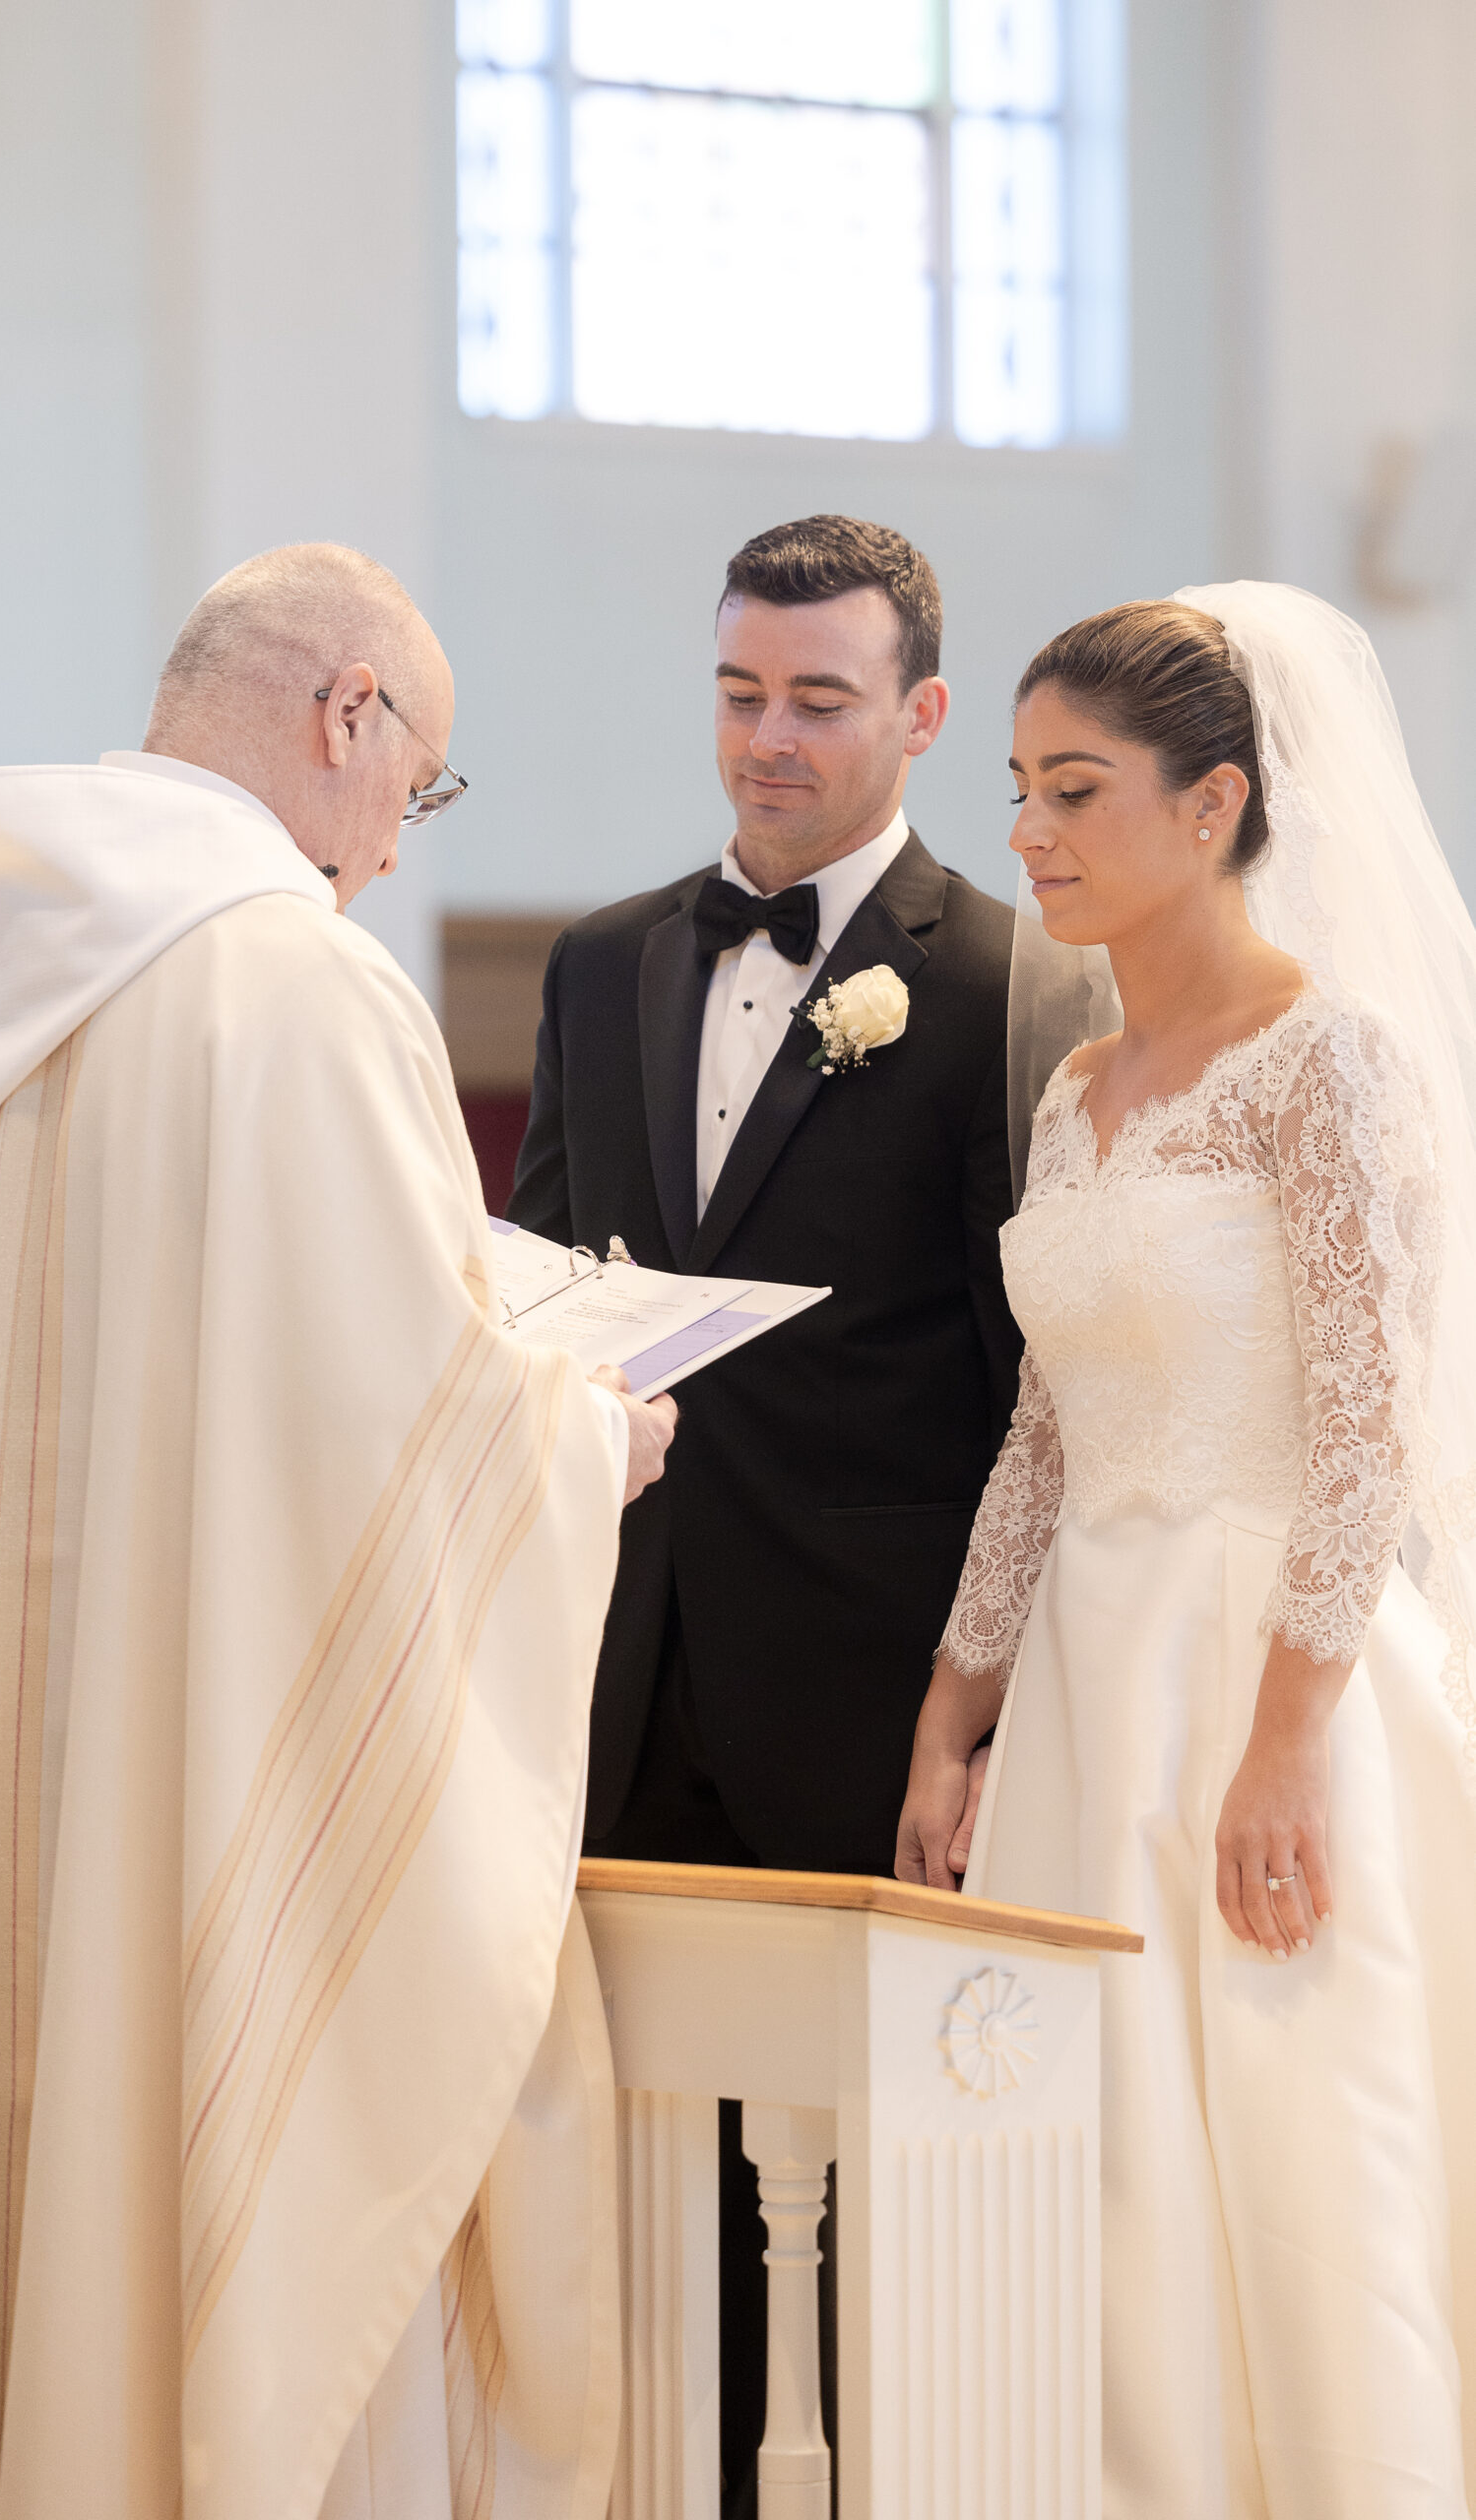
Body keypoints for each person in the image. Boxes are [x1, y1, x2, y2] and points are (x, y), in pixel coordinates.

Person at [0, 541, 677, 2520]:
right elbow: (395, 1422)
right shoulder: (291, 983)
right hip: (180, 1814)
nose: (386, 854)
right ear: (346, 711)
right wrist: (587, 1435)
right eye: (416, 786)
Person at [897, 586, 1476, 2517]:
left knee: (1287, 2134)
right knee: (1092, 2155)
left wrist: (1291, 1733)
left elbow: (1367, 1433)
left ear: (1216, 800)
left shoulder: (1331, 1061)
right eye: (1016, 789)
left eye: (1076, 788)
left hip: (1263, 1665)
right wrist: (950, 1709)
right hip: (1085, 1668)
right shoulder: (1079, 1095)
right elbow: (1046, 1431)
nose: (1031, 831)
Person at [511, 513, 1019, 1878]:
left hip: (865, 1690)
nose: (765, 739)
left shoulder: (1000, 984)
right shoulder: (598, 963)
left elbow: (1028, 1381)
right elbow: (550, 1300)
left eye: (818, 702)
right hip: (609, 1676)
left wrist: (987, 1724)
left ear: (922, 714)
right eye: (740, 696)